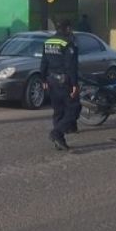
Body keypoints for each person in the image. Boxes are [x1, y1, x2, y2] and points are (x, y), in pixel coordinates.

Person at [41, 20, 80, 151]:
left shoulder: (48, 42)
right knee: (73, 109)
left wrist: (43, 79)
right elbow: (71, 66)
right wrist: (74, 84)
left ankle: (59, 141)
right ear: (67, 28)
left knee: (58, 111)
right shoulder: (68, 43)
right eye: (70, 28)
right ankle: (57, 133)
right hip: (64, 82)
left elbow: (44, 62)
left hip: (51, 80)